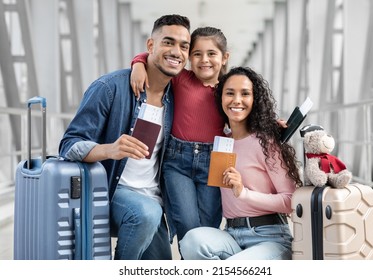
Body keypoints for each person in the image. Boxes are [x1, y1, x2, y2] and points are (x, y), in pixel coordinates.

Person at [58, 14, 191, 260]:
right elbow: (69, 145)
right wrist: (110, 150)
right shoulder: (109, 88)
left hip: (153, 199)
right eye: (168, 42)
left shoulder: (179, 95)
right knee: (146, 214)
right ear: (151, 46)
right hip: (113, 191)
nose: (176, 51)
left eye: (184, 46)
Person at [179, 66, 303, 260]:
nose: (237, 100)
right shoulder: (220, 141)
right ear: (220, 99)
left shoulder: (266, 142)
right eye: (229, 93)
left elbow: (290, 201)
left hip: (270, 237)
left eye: (245, 94)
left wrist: (244, 193)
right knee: (191, 241)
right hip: (231, 235)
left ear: (255, 100)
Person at [130, 27, 230, 244]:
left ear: (224, 58)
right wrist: (138, 64)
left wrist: (271, 124)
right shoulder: (181, 78)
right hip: (178, 162)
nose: (204, 60)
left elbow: (249, 109)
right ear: (188, 58)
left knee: (209, 223)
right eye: (197, 54)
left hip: (215, 160)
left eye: (211, 54)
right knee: (187, 222)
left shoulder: (228, 88)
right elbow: (151, 59)